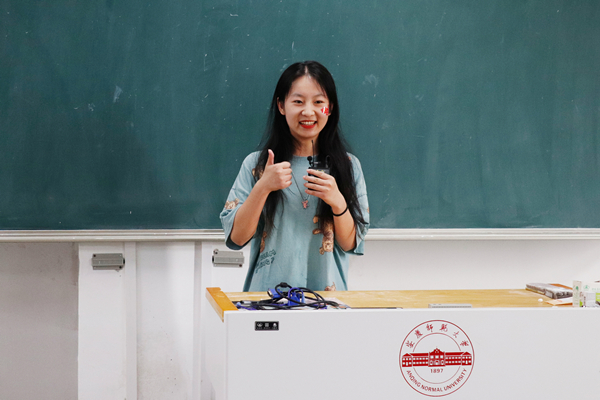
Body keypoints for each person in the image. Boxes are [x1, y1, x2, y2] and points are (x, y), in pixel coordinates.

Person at [220, 61, 369, 292]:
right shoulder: (257, 165)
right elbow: (236, 239)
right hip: (269, 300)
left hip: (327, 301)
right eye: (298, 102)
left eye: (318, 102)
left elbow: (351, 244)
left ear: (330, 108)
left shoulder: (348, 166)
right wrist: (263, 187)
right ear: (281, 106)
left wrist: (337, 201)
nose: (308, 112)